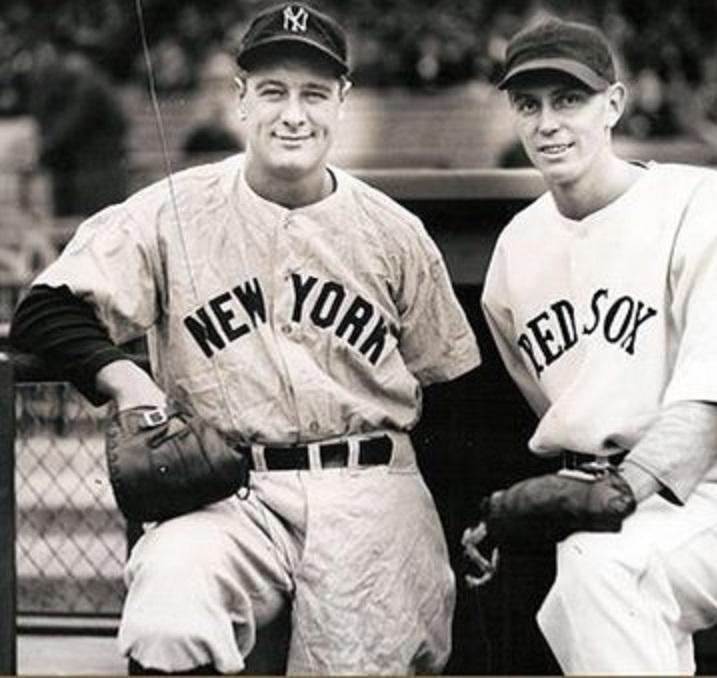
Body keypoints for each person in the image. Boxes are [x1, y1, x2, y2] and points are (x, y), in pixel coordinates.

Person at [10, 3, 480, 674]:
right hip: (231, 495)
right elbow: (45, 310)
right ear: (241, 98)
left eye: (314, 94)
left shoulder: (394, 232)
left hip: (371, 492)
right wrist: (130, 380)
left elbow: (453, 388)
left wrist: (455, 523)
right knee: (170, 606)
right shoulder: (172, 210)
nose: (294, 114)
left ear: (342, 100)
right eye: (273, 92)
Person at [462, 17, 717, 675]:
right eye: (529, 104)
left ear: (613, 103)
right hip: (607, 502)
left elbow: (715, 405)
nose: (548, 122)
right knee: (613, 602)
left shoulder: (701, 203)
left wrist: (614, 494)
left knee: (599, 575)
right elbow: (568, 418)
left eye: (569, 99)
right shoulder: (514, 253)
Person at [30, 33, 128, 216]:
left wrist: (43, 152)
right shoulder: (97, 83)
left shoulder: (90, 87)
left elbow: (70, 125)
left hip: (99, 169)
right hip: (100, 166)